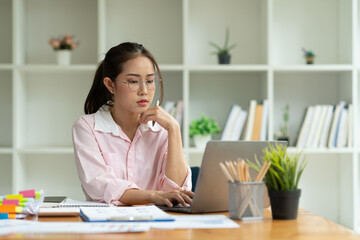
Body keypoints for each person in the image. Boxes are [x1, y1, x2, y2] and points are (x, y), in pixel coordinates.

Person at [72, 42, 193, 207]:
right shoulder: (87, 127)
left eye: (150, 81)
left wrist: (174, 129)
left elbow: (178, 191)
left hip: (159, 225)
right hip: (107, 226)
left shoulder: (162, 129)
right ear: (110, 85)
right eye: (133, 81)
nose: (144, 90)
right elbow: (101, 187)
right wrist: (154, 196)